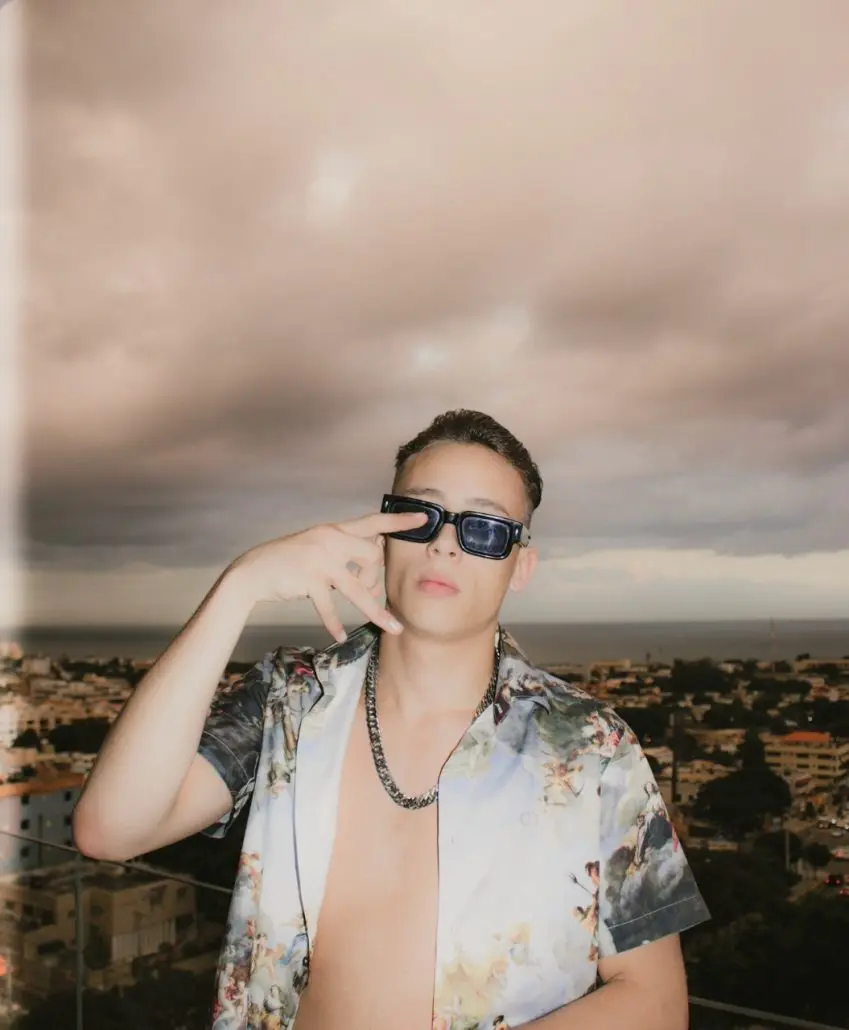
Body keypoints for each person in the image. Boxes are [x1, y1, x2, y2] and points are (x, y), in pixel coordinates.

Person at [74, 409, 710, 1030]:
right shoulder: (287, 700)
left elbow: (653, 1001)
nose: (444, 543)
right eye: (420, 515)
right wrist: (239, 586)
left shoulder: (593, 748)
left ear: (521, 565)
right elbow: (111, 829)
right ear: (381, 538)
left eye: (485, 529)